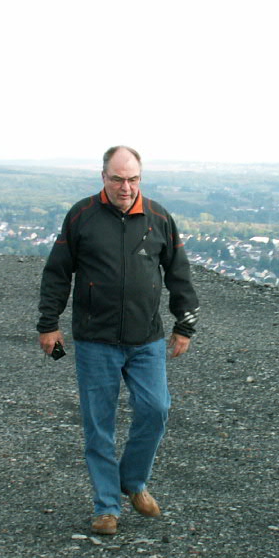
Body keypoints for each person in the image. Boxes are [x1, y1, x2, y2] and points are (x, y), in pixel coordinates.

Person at [37, 145, 199, 536]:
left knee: (156, 408)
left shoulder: (159, 217)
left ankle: (132, 480)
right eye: (117, 179)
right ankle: (106, 507)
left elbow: (178, 273)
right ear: (103, 177)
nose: (125, 187)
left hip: (146, 340)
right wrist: (48, 324)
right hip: (95, 340)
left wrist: (185, 325)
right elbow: (57, 272)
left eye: (132, 179)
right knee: (99, 425)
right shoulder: (82, 215)